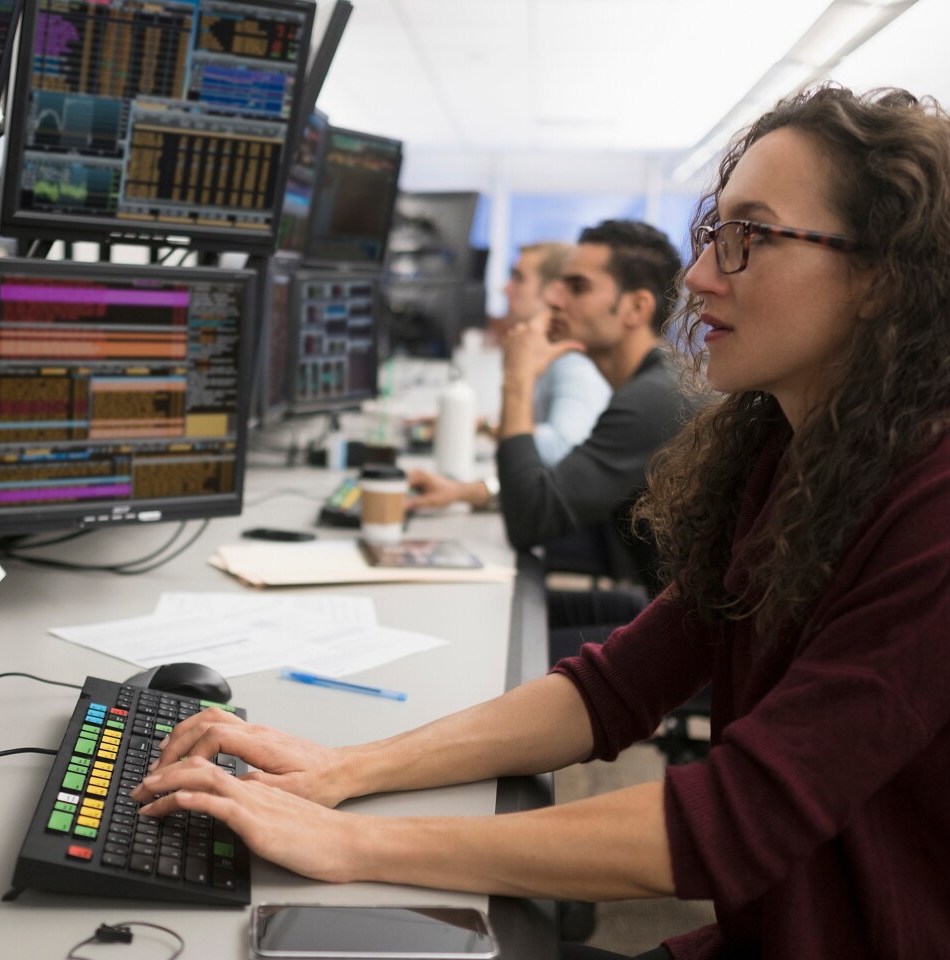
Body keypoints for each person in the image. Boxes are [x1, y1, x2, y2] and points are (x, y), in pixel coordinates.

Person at [132, 85, 950, 959]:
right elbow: (615, 688)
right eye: (716, 232)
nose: (702, 274)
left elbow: (734, 820)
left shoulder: (931, 512)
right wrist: (348, 768)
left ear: (882, 279)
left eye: (752, 237)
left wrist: (354, 842)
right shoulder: (791, 454)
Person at [409, 219, 691, 593]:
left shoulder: (654, 399)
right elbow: (561, 491)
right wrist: (472, 493)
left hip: (681, 638)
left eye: (578, 287)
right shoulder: (652, 384)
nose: (556, 300)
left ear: (636, 308)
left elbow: (528, 520)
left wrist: (518, 379)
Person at [500, 242, 612, 466]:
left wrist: (516, 378)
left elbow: (562, 448)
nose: (506, 289)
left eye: (519, 278)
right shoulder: (543, 348)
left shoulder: (573, 357)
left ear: (553, 290)